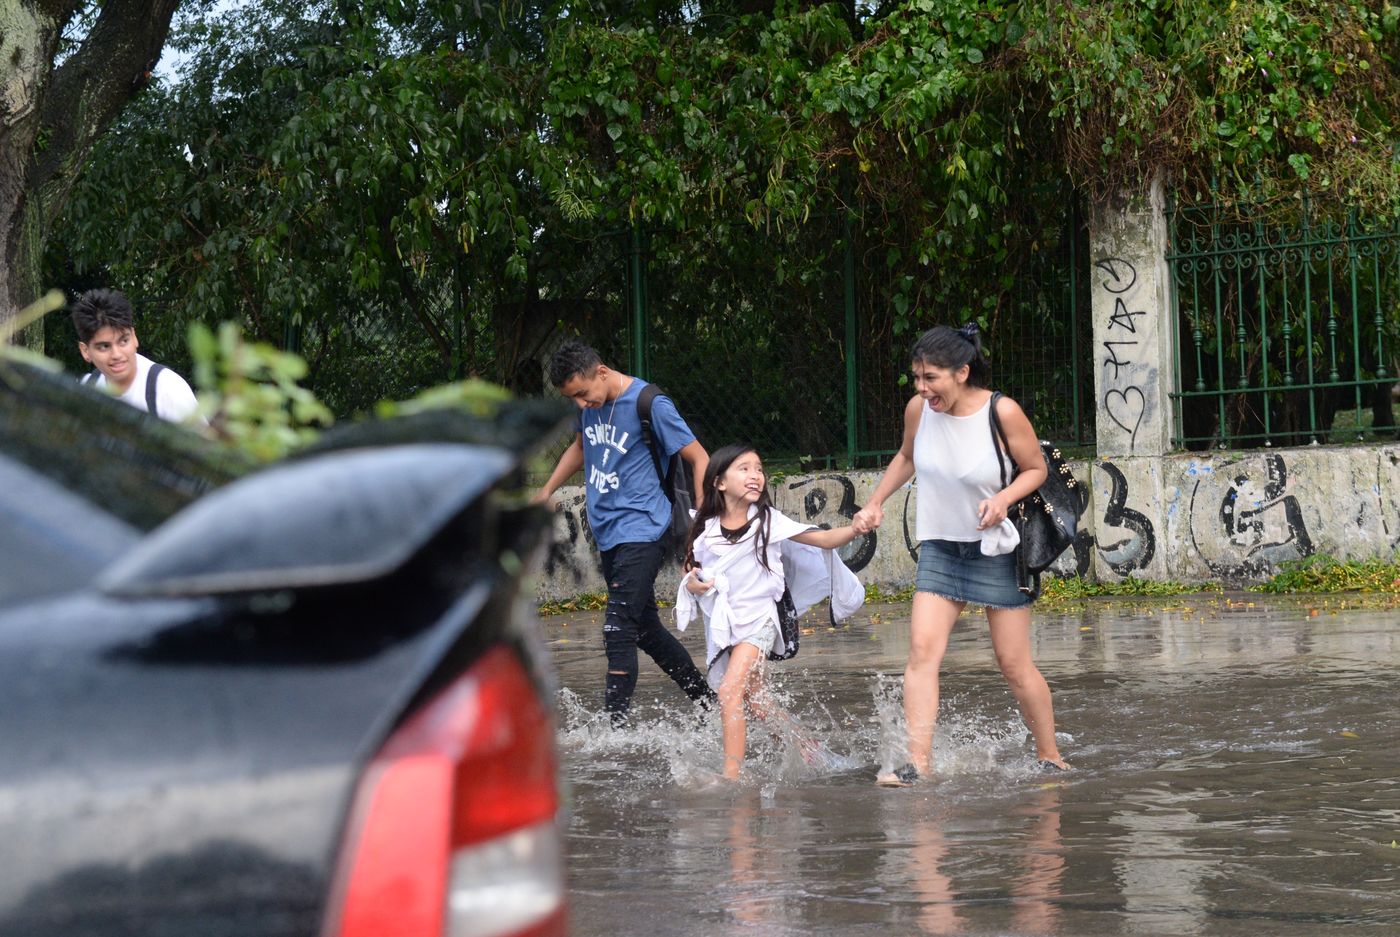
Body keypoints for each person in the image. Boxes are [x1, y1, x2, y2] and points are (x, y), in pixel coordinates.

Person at [853, 324, 1069, 785]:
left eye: (931, 377)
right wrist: (875, 502)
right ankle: (918, 765)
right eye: (916, 377)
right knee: (921, 653)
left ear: (962, 372)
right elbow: (907, 456)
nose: (921, 388)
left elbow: (1036, 469)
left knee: (1013, 664)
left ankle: (1050, 755)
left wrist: (1005, 499)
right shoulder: (919, 410)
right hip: (940, 548)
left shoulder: (1001, 411)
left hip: (996, 549)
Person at [532, 339, 715, 725]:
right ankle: (709, 704)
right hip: (609, 533)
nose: (582, 405)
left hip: (646, 529)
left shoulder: (650, 404)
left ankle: (614, 732)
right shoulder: (588, 407)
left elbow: (699, 457)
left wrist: (701, 522)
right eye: (573, 400)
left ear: (601, 371)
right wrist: (546, 490)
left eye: (583, 394)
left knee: (617, 629)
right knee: (645, 630)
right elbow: (580, 448)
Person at [675, 444, 860, 780]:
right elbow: (690, 568)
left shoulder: (769, 521)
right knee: (757, 700)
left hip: (760, 622)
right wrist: (693, 584)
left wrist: (857, 528)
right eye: (744, 468)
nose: (755, 475)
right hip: (729, 624)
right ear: (719, 482)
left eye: (759, 469)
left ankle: (731, 775)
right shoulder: (706, 527)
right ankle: (811, 750)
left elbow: (825, 539)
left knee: (730, 691)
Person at [71, 289, 201, 424]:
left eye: (123, 341)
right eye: (104, 347)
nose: (116, 354)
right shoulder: (85, 389)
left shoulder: (168, 389)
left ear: (134, 337)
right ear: (85, 351)